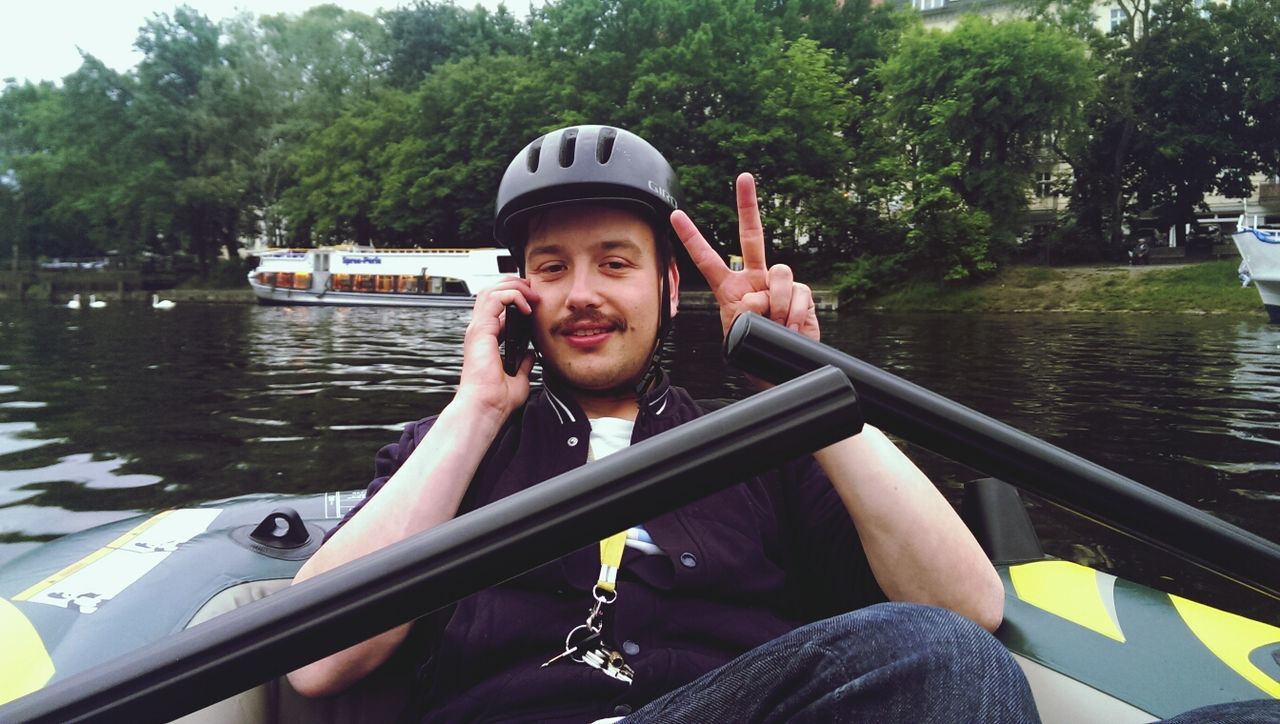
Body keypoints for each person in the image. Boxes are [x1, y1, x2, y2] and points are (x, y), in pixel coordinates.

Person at [287, 125, 1037, 722]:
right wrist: (474, 410)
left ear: (670, 290)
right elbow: (318, 663)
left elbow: (967, 612)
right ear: (519, 294)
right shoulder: (448, 451)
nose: (581, 293)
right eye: (551, 268)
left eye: (615, 264)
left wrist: (806, 394)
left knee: (948, 655)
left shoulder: (767, 451)